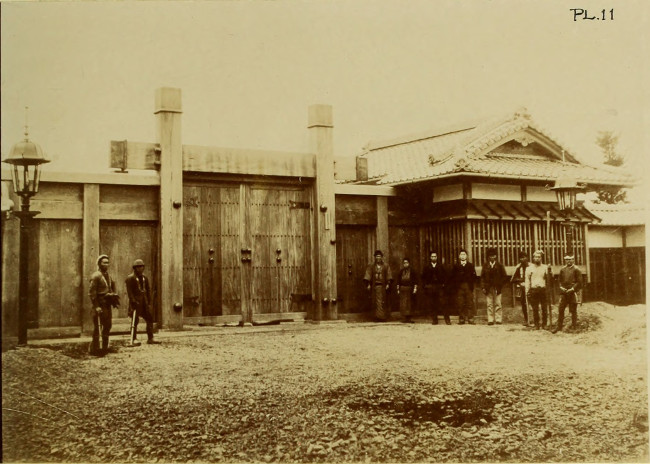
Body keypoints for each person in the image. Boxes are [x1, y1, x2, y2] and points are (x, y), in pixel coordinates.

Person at [88, 254, 119, 355]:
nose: (106, 264)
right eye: (104, 262)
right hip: (99, 305)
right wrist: (96, 306)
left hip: (107, 304)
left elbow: (111, 287)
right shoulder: (96, 276)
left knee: (107, 325)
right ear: (99, 264)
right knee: (98, 327)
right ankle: (95, 349)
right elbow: (92, 293)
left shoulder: (108, 276)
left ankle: (104, 348)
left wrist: (113, 296)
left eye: (107, 262)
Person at [125, 259, 160, 345]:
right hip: (135, 303)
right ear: (135, 268)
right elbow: (130, 292)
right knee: (135, 321)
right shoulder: (130, 278)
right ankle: (133, 339)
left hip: (144, 303)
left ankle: (150, 338)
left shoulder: (145, 278)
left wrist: (148, 302)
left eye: (142, 267)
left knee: (150, 318)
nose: (140, 269)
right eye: (138, 267)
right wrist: (133, 301)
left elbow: (148, 290)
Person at [552, 254, 582, 333]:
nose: (569, 261)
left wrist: (572, 289)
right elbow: (559, 281)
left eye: (570, 259)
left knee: (573, 310)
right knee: (561, 309)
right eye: (567, 259)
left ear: (573, 260)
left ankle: (574, 326)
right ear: (565, 260)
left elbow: (579, 282)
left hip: (572, 292)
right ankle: (559, 327)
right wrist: (561, 287)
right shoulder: (562, 269)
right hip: (564, 292)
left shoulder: (577, 269)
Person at [363, 250, 393, 322]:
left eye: (379, 256)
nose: (378, 258)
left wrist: (388, 283)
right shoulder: (371, 266)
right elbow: (368, 275)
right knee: (375, 302)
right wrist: (368, 284)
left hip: (383, 287)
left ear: (382, 257)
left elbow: (389, 275)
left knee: (383, 302)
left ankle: (383, 317)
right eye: (377, 256)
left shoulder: (386, 266)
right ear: (375, 257)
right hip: (375, 286)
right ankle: (376, 317)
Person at [480, 248, 508, 325]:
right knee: (489, 304)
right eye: (490, 256)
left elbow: (504, 277)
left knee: (498, 303)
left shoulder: (499, 265)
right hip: (488, 287)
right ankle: (490, 319)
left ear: (496, 256)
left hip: (497, 288)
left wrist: (500, 284)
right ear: (488, 257)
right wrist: (483, 287)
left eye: (493, 256)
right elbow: (482, 277)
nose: (492, 257)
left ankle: (498, 319)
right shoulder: (485, 265)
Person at [421, 251, 449, 325]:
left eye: (435, 256)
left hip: (439, 287)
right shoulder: (427, 267)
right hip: (431, 287)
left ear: (437, 257)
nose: (433, 258)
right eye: (432, 256)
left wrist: (444, 285)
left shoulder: (441, 266)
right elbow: (423, 278)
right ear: (430, 258)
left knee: (443, 303)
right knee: (432, 303)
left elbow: (446, 277)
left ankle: (447, 319)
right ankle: (434, 319)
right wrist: (425, 286)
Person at [451, 249, 477, 325]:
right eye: (461, 254)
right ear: (459, 256)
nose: (462, 256)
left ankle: (470, 318)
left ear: (466, 256)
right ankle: (461, 319)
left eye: (464, 254)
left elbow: (474, 276)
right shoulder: (456, 266)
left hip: (468, 286)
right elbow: (453, 277)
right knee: (460, 303)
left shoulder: (470, 265)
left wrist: (471, 285)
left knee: (469, 302)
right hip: (459, 287)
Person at [525, 250, 548, 330]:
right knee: (535, 308)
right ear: (533, 258)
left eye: (538, 257)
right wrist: (527, 291)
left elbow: (548, 280)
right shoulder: (529, 268)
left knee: (544, 307)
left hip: (543, 289)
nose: (537, 258)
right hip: (534, 290)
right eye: (535, 257)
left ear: (541, 258)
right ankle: (536, 324)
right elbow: (527, 280)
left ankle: (544, 324)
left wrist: (550, 272)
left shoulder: (545, 268)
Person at [511, 251, 530, 326]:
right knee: (524, 304)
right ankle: (527, 320)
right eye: (521, 258)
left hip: (531, 287)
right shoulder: (518, 267)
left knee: (533, 304)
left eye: (524, 257)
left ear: (527, 258)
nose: (522, 259)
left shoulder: (531, 266)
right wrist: (520, 281)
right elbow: (512, 279)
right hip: (522, 287)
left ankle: (535, 320)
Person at [396, 257, 418, 323]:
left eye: (406, 263)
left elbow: (415, 281)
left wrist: (415, 288)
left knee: (410, 304)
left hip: (410, 289)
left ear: (409, 263)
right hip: (403, 289)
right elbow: (398, 281)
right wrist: (398, 289)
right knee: (403, 304)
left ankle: (409, 318)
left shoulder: (412, 271)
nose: (405, 264)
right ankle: (405, 318)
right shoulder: (401, 271)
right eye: (404, 263)